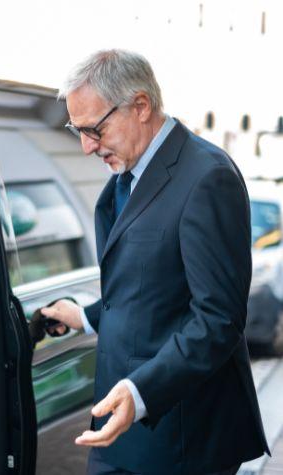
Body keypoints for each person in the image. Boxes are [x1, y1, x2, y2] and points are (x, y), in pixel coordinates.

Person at [42, 49, 268, 475]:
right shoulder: (126, 174)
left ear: (140, 106)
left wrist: (141, 390)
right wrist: (87, 317)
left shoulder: (208, 177)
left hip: (180, 440)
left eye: (94, 128)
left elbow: (218, 319)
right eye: (77, 129)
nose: (86, 145)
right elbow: (151, 283)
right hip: (121, 434)